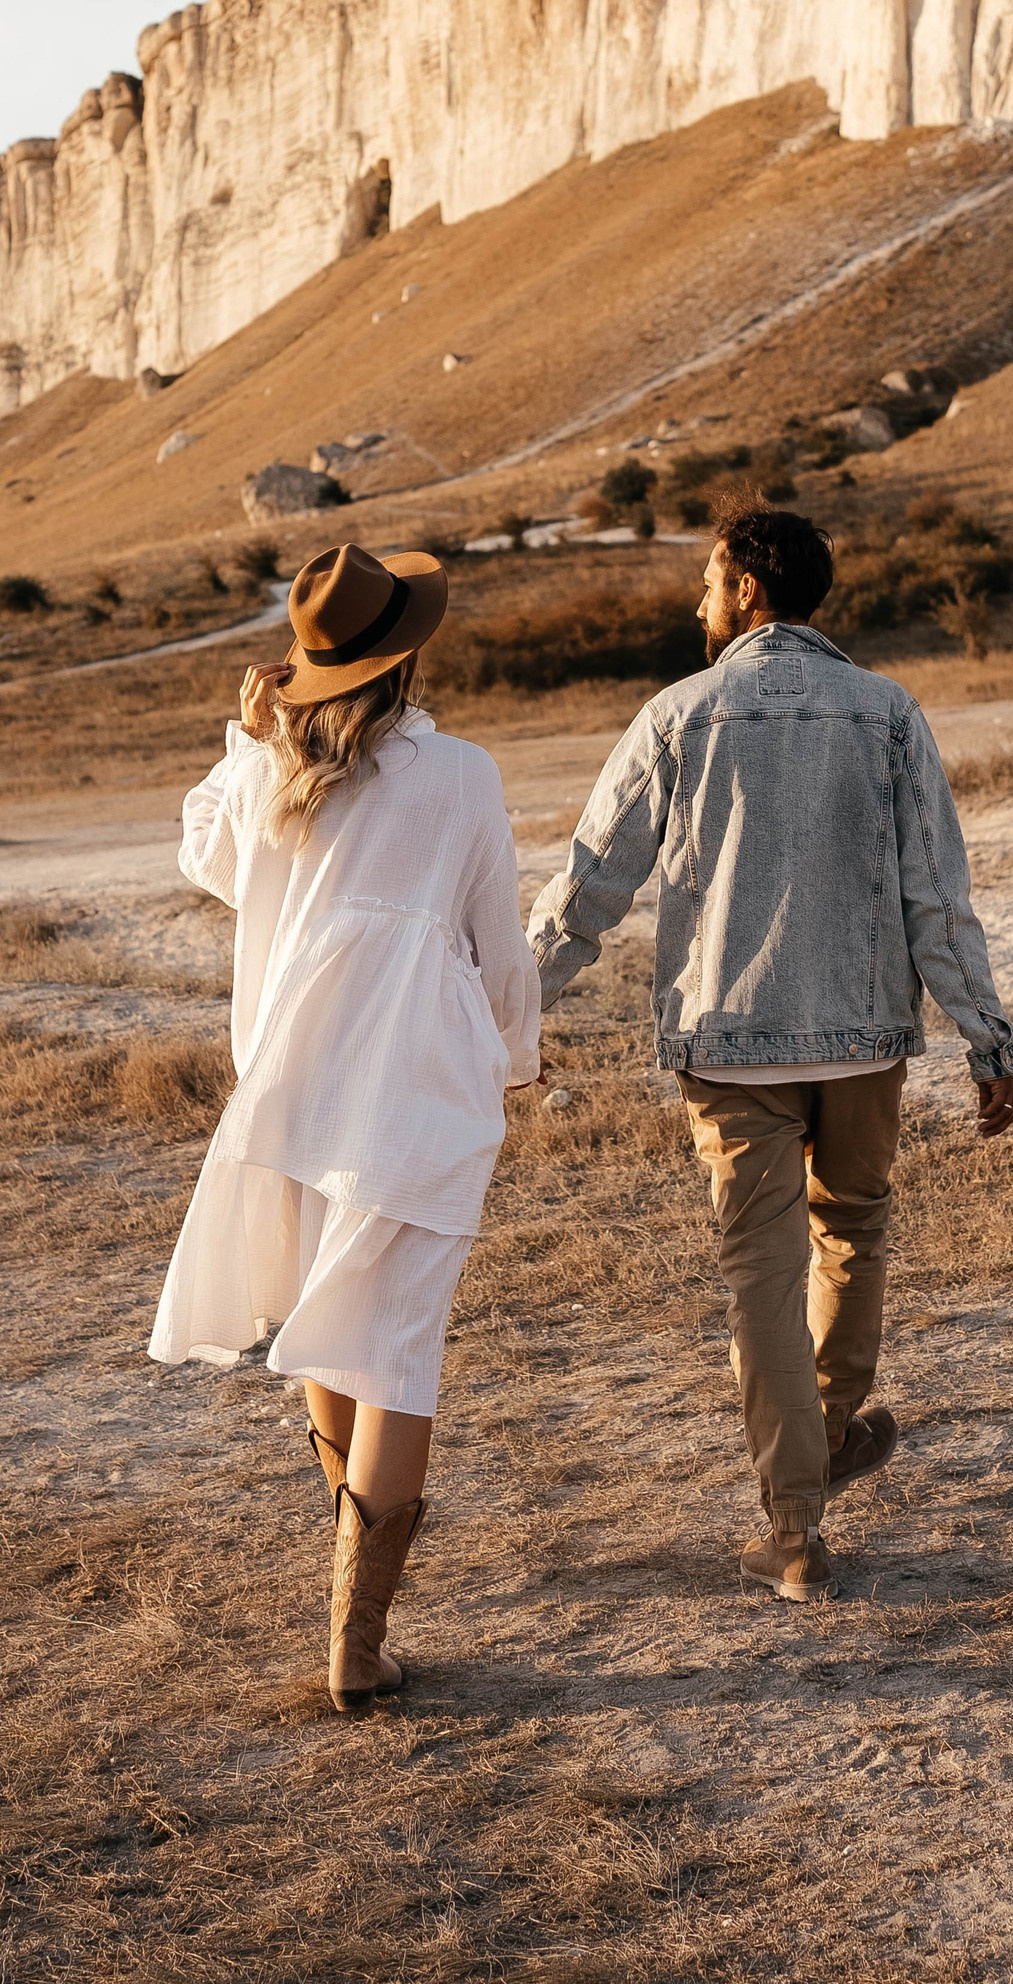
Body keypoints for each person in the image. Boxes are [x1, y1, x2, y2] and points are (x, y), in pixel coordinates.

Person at [529, 500, 1013, 1602]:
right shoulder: (890, 713)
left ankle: (795, 1529)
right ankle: (826, 1438)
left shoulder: (678, 715)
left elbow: (591, 887)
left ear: (749, 591)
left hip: (727, 1039)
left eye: (706, 583)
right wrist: (986, 1037)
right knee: (854, 1232)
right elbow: (936, 895)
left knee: (762, 1271)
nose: (695, 602)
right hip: (863, 1038)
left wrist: (506, 1008)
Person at [150, 543, 541, 1711]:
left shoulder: (275, 772)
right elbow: (498, 938)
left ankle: (350, 1612)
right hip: (413, 1075)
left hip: (291, 1081)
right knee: (395, 1346)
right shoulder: (461, 773)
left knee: (328, 1328)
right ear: (408, 651)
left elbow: (205, 860)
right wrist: (517, 1064)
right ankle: (355, 1646)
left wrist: (245, 732)